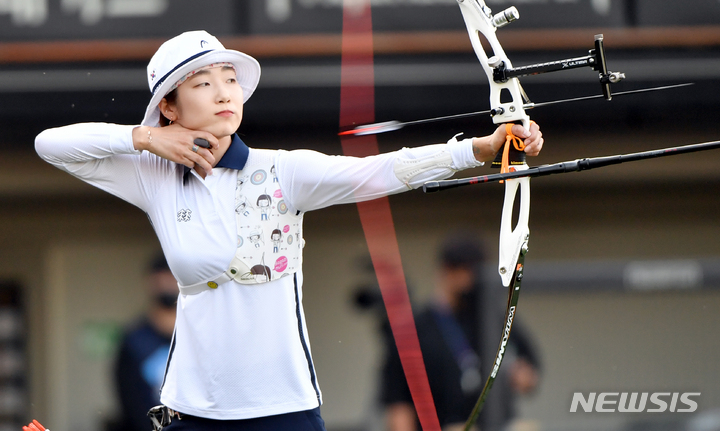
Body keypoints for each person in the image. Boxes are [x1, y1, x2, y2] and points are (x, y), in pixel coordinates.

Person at [34, 30, 543, 430]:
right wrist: (145, 139)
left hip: (284, 409)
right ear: (170, 105)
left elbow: (380, 171)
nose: (222, 93)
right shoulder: (153, 177)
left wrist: (476, 148)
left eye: (228, 78)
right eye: (202, 83)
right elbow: (49, 144)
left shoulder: (281, 171)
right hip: (191, 411)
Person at [380, 233, 540, 431]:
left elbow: (529, 372)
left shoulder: (492, 318)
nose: (473, 282)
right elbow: (398, 403)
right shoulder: (415, 329)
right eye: (467, 272)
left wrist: (520, 375)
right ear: (447, 270)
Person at [113, 254, 178, 431]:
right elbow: (130, 400)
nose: (167, 284)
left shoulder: (198, 337)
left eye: (172, 277)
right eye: (161, 278)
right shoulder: (135, 340)